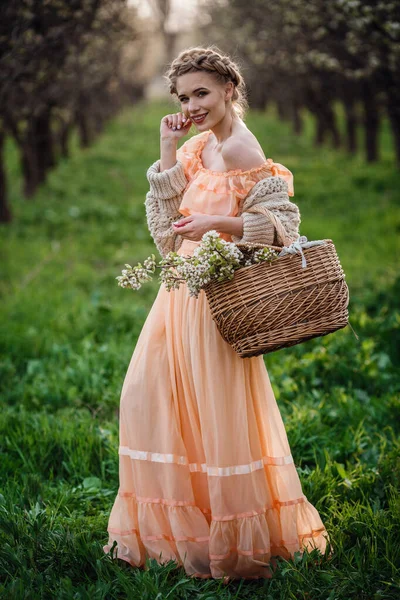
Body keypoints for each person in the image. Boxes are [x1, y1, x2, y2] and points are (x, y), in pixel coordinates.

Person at [103, 45, 331, 582]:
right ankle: (184, 531)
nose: (193, 104)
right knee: (150, 396)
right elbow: (164, 233)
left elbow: (280, 227)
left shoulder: (241, 148)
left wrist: (215, 225)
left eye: (202, 92)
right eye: (185, 97)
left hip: (218, 297)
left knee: (212, 408)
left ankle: (233, 538)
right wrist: (166, 146)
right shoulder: (199, 145)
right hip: (180, 291)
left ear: (231, 88)